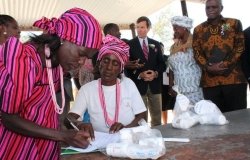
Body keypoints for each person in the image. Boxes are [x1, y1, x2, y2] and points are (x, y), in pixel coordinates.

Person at [0, 8, 103, 159]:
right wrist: (62, 136)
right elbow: (9, 118)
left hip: (46, 148)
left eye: (86, 58)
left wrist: (73, 125)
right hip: (17, 149)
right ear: (62, 39)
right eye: (81, 54)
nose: (81, 62)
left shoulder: (56, 64)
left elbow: (45, 108)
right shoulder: (25, 62)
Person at [66, 35, 147, 135]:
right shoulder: (87, 89)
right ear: (99, 63)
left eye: (115, 64)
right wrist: (79, 124)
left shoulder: (128, 84)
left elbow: (142, 114)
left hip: (127, 139)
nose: (109, 67)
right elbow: (70, 117)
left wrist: (125, 129)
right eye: (106, 61)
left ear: (120, 68)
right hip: (99, 142)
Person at [193, 0, 247, 112]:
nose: (211, 10)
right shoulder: (198, 30)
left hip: (234, 80)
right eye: (208, 8)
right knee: (215, 120)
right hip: (210, 83)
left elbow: (240, 47)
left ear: (221, 8)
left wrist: (225, 64)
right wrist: (208, 66)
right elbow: (197, 52)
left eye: (214, 7)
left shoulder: (233, 24)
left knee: (238, 118)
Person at [126, 16, 166, 126]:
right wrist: (139, 75)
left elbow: (162, 64)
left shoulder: (156, 44)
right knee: (141, 118)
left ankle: (157, 137)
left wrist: (156, 73)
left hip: (155, 85)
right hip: (138, 86)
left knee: (157, 118)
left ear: (148, 28)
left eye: (142, 27)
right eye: (137, 27)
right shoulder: (129, 45)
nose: (139, 29)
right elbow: (127, 66)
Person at [168, 16, 204, 105]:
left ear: (184, 27)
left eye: (176, 28)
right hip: (180, 91)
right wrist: (170, 86)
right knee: (186, 117)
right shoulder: (174, 47)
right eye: (173, 28)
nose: (174, 31)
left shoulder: (196, 42)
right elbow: (171, 69)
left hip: (196, 89)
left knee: (200, 115)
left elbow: (204, 63)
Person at [160, 43, 175, 124]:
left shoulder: (168, 58)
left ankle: (175, 120)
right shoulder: (155, 59)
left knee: (173, 104)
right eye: (159, 49)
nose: (161, 50)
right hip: (161, 86)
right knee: (163, 106)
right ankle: (165, 123)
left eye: (162, 48)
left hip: (170, 84)